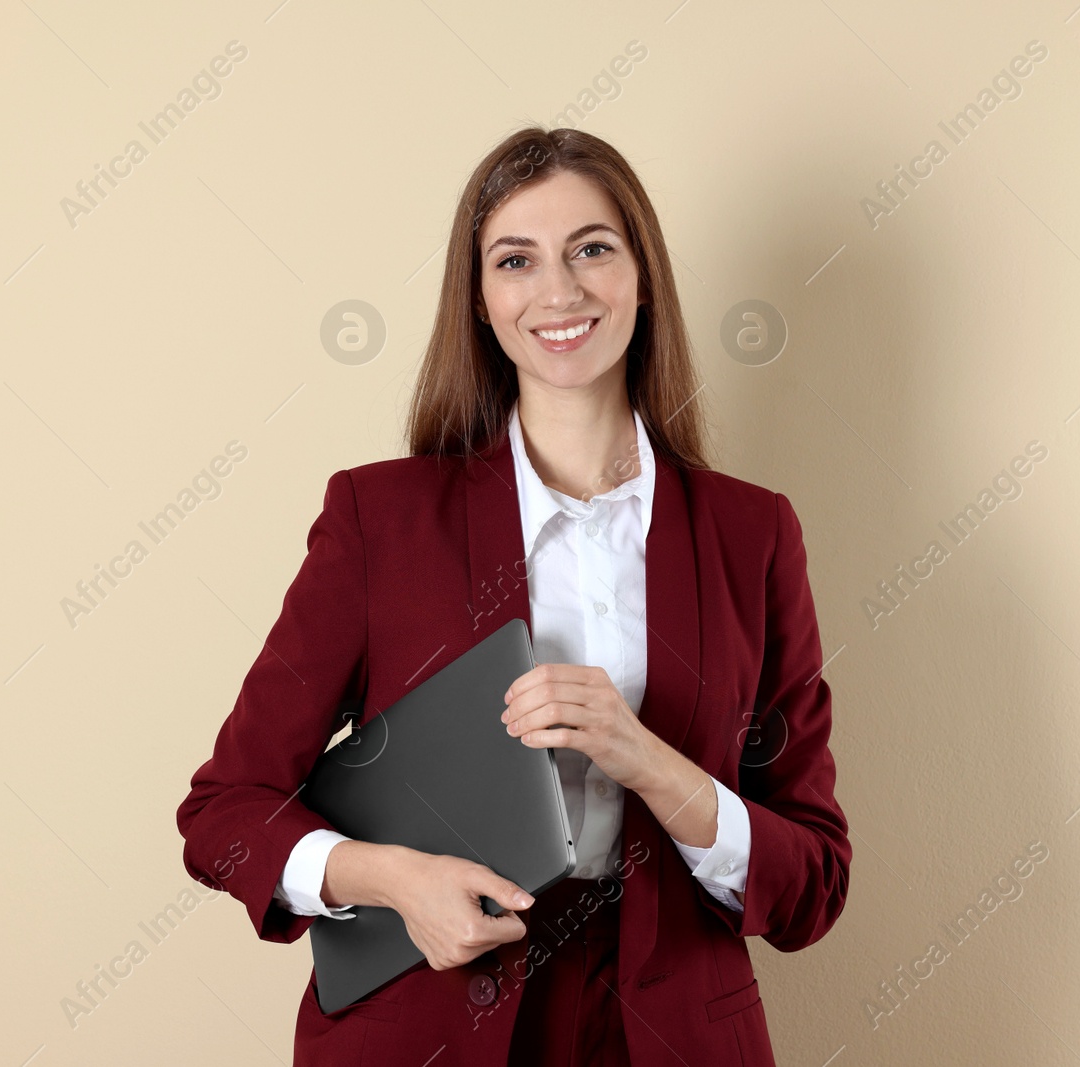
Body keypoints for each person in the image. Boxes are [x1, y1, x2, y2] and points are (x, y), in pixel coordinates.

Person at [176, 126, 851, 1066]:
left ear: (643, 275)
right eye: (516, 259)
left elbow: (814, 879)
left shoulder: (753, 534)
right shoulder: (380, 519)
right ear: (482, 302)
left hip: (672, 1034)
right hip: (430, 1026)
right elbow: (224, 812)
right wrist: (394, 880)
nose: (559, 291)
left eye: (592, 249)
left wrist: (649, 759)